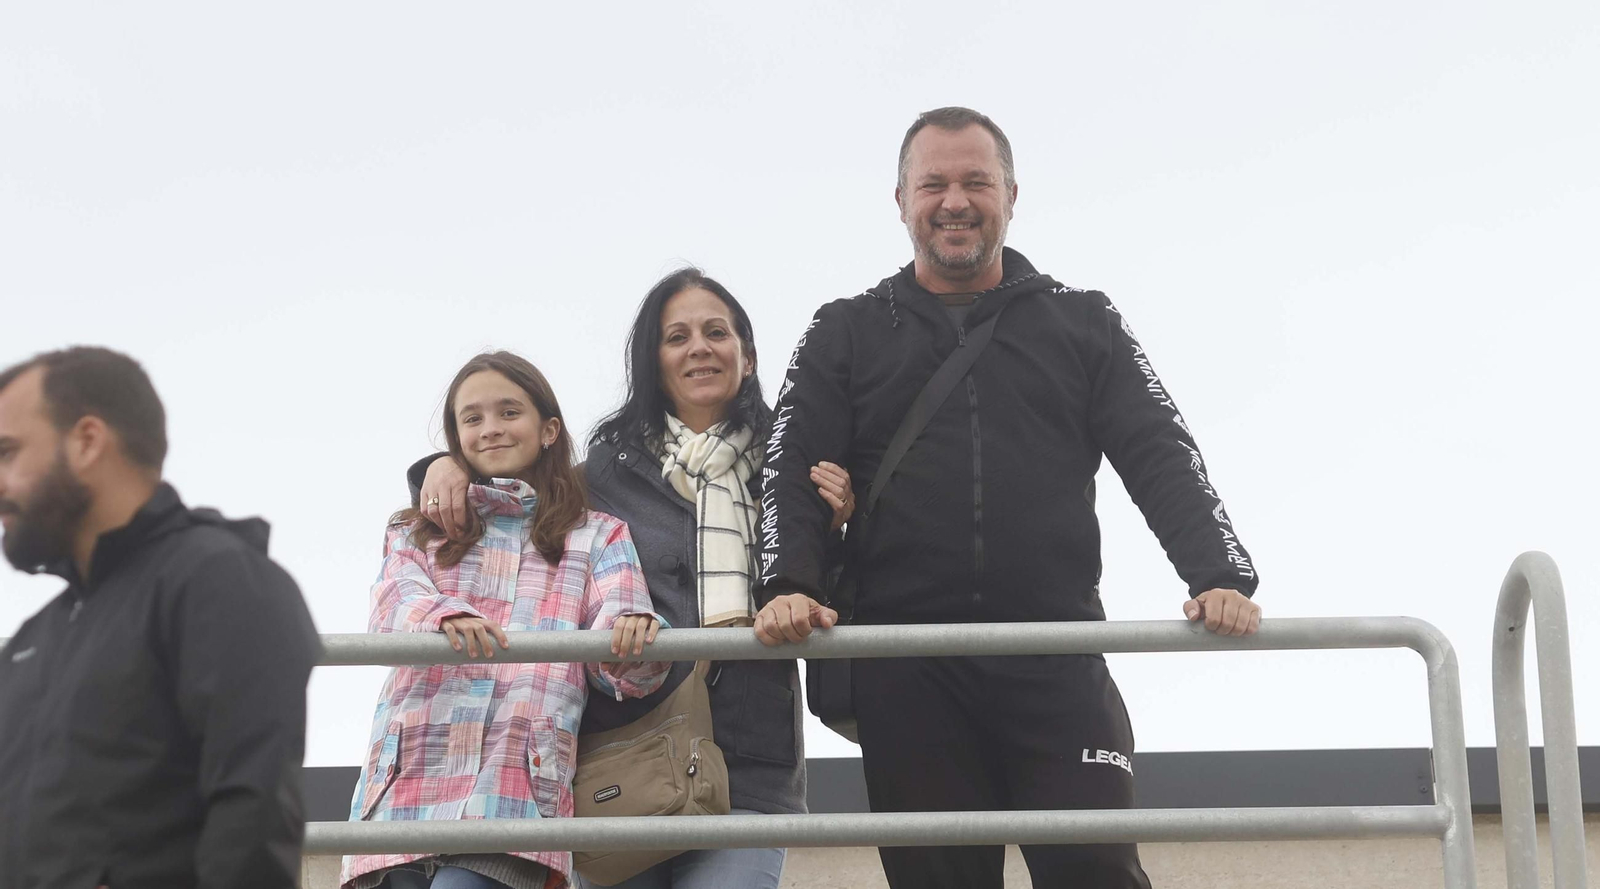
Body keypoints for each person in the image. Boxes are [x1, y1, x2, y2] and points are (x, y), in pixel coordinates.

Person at [752, 107, 1263, 889]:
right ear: (900, 200)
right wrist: (790, 583)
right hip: (908, 667)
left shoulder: (1082, 319)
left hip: (1055, 657)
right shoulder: (845, 329)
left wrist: (1218, 573)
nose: (954, 201)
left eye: (975, 182)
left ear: (1012, 195)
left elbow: (1158, 449)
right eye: (934, 184)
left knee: (1097, 871)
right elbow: (790, 461)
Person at [415, 269, 855, 889]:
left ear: (747, 355)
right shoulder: (602, 476)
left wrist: (836, 531)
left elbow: (825, 598)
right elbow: (505, 505)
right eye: (676, 336)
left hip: (750, 762)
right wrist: (439, 466)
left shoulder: (794, 472)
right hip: (621, 759)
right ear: (653, 362)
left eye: (715, 332)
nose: (698, 347)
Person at [344, 351, 668, 889]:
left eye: (509, 412)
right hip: (406, 783)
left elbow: (622, 618)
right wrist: (445, 616)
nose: (490, 428)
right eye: (472, 418)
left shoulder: (597, 535)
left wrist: (631, 636)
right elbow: (393, 600)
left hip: (515, 786)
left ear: (548, 429)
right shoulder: (415, 530)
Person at [0, 346, 320, 889]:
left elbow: (252, 819)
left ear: (86, 441)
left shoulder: (217, 580)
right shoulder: (33, 639)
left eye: (7, 452)